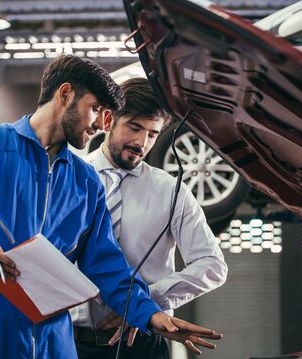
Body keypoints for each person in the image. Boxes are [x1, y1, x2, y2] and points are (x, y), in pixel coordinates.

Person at [0, 55, 221, 359]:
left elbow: (106, 265)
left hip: (53, 338)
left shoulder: (85, 181)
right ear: (65, 95)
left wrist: (150, 315)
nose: (100, 124)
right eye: (96, 109)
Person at [72, 78, 228, 358]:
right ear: (109, 119)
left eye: (153, 134)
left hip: (141, 344)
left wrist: (143, 302)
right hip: (72, 343)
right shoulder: (69, 178)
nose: (141, 143)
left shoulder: (172, 191)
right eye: (134, 127)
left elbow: (213, 265)